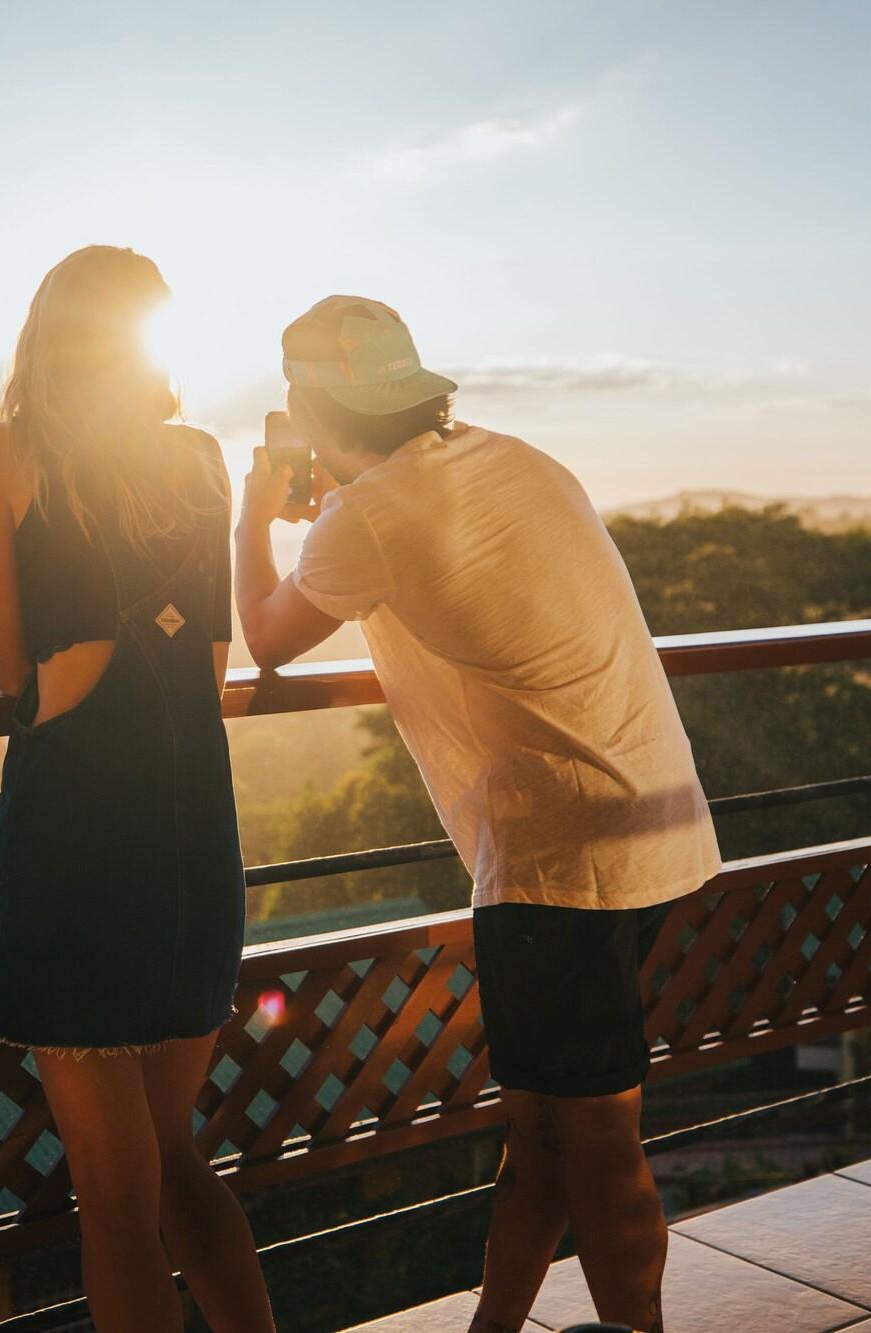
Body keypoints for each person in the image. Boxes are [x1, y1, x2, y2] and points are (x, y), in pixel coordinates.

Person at [233, 295, 721, 1333]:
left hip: (558, 854)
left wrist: (248, 514)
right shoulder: (521, 459)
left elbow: (267, 636)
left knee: (594, 1140)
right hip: (654, 821)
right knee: (544, 1124)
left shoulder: (364, 516)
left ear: (308, 406)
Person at [0, 245, 276, 1333]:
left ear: (45, 332)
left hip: (79, 835)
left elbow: (12, 667)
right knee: (176, 1159)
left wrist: (13, 659)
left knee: (114, 1203)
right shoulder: (197, 456)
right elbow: (210, 670)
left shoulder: (5, 450)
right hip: (193, 829)